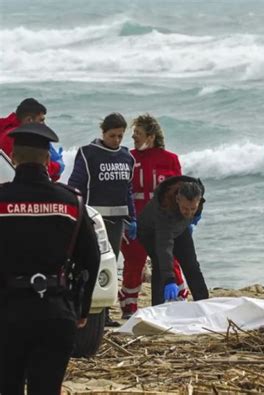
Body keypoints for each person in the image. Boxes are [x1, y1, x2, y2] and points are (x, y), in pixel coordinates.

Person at [0, 123, 100, 394]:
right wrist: (81, 308)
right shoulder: (72, 202)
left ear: (14, 156)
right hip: (55, 310)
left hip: (8, 311)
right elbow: (91, 259)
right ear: (47, 159)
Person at [68, 112, 136, 326]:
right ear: (103, 132)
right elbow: (76, 184)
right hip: (93, 221)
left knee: (110, 265)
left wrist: (132, 218)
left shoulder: (128, 157)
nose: (116, 140)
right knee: (89, 265)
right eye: (112, 135)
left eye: (120, 136)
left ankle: (104, 315)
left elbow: (128, 190)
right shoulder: (89, 154)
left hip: (116, 222)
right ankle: (84, 311)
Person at [119, 114, 189, 319]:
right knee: (133, 263)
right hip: (135, 221)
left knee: (170, 261)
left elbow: (181, 191)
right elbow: (121, 190)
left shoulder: (170, 159)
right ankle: (129, 308)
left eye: (138, 134)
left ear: (151, 136)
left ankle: (178, 301)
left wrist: (185, 219)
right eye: (133, 135)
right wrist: (126, 219)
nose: (134, 138)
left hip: (164, 222)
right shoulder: (127, 158)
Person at [138, 176, 209, 305]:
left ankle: (204, 303)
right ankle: (158, 308)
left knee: (191, 265)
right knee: (161, 266)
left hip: (180, 228)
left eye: (193, 209)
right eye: (185, 209)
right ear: (177, 199)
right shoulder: (165, 209)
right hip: (151, 232)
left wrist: (197, 214)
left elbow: (198, 204)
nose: (189, 212)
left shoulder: (197, 191)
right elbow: (164, 248)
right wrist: (170, 280)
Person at [0, 98, 64, 181]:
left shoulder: (6, 130)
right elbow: (35, 167)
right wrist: (58, 166)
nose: (44, 125)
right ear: (29, 120)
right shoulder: (17, 137)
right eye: (41, 120)